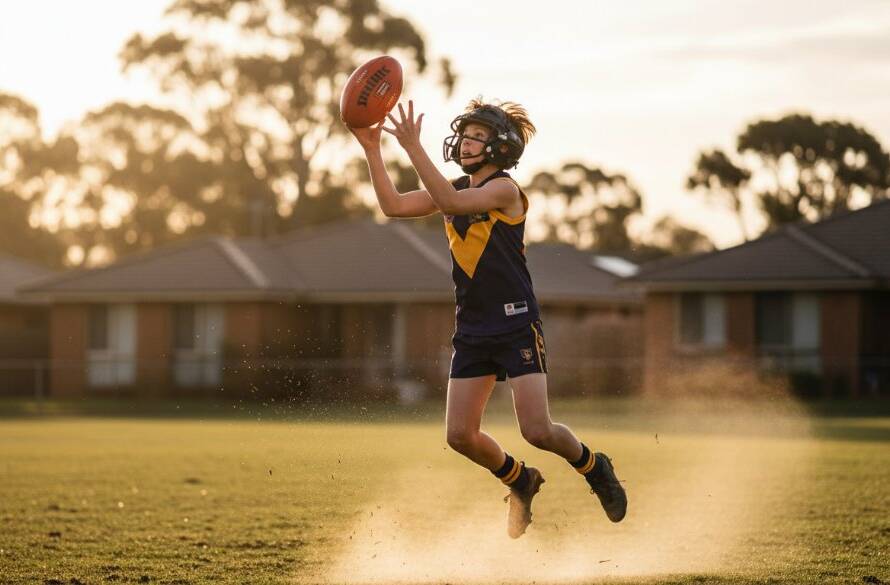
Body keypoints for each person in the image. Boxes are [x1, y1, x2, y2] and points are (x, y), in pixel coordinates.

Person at [348, 97, 627, 538]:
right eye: (465, 134)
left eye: (478, 136)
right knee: (460, 435)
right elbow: (394, 206)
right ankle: (520, 479)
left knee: (537, 430)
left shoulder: (505, 190)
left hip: (516, 322)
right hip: (473, 327)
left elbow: (449, 201)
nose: (465, 141)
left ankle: (594, 466)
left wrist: (413, 147)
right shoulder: (456, 189)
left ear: (501, 148)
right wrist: (371, 148)